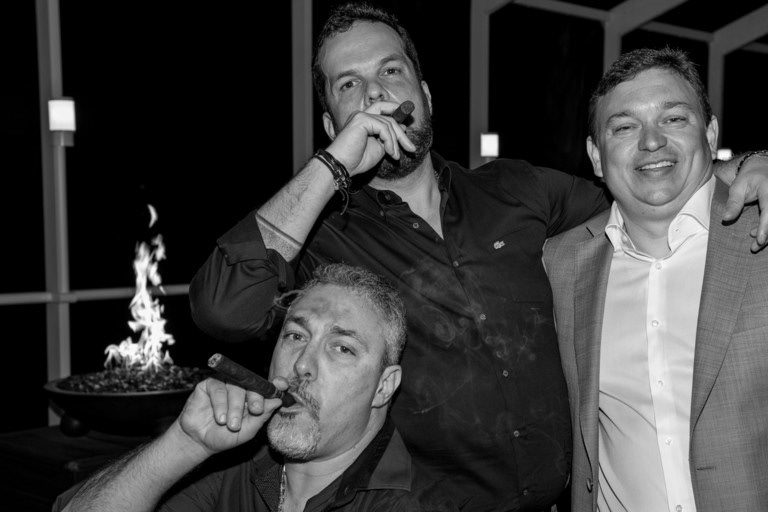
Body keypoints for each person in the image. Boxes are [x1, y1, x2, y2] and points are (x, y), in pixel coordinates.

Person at [188, 3, 768, 510]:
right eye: (349, 85)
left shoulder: (518, 190)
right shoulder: (323, 238)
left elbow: (644, 187)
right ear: (330, 123)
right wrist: (332, 166)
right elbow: (223, 309)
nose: (376, 95)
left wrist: (749, 165)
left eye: (390, 71)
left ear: (425, 95)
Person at [543, 46, 768, 511]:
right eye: (624, 127)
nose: (651, 142)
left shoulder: (763, 233)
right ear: (596, 156)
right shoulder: (560, 264)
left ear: (710, 133)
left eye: (674, 119)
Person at [54, 263, 460, 512]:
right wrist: (184, 443)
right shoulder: (232, 469)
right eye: (296, 336)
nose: (301, 365)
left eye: (342, 348)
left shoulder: (416, 505)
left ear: (384, 387)